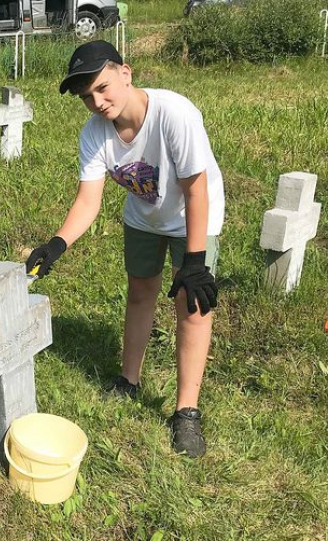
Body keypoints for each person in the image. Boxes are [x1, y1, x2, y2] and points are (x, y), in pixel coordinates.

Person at [26, 41, 224, 458]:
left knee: (191, 302)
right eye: (86, 97)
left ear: (126, 73)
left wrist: (194, 261)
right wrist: (57, 243)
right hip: (144, 217)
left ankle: (186, 411)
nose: (97, 102)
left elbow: (197, 191)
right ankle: (128, 380)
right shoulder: (95, 134)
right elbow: (88, 200)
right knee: (139, 292)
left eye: (102, 88)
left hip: (194, 214)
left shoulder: (175, 113)